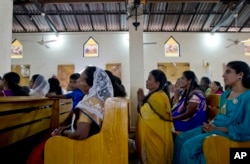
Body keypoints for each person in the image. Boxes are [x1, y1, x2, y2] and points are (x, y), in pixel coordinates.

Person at [27, 66, 114, 164]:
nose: (78, 83)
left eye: (80, 80)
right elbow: (88, 125)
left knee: (38, 152)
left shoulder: (90, 103)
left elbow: (80, 134)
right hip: (94, 143)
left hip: (83, 147)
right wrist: (67, 127)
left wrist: (63, 133)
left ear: (89, 82)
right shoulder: (94, 99)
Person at [173, 61, 250, 164]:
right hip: (214, 127)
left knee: (188, 147)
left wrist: (217, 128)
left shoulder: (247, 96)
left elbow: (246, 128)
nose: (223, 75)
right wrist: (210, 124)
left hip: (230, 133)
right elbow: (222, 115)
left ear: (240, 75)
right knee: (180, 139)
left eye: (228, 72)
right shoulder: (226, 94)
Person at [135, 69, 173, 164]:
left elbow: (145, 115)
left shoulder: (158, 97)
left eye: (149, 79)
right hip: (154, 134)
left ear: (157, 83)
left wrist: (140, 101)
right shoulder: (154, 95)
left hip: (156, 136)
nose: (146, 81)